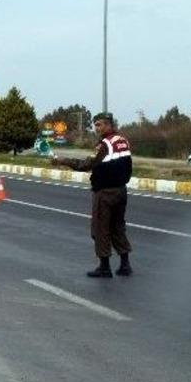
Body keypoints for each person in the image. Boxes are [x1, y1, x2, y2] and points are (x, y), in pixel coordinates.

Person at [53, 113, 133, 277]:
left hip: (105, 192)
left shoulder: (105, 144)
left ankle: (104, 267)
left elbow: (87, 164)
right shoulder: (122, 140)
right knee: (118, 227)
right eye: (95, 125)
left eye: (99, 125)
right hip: (121, 191)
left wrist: (63, 161)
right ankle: (125, 264)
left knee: (101, 228)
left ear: (108, 125)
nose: (97, 128)